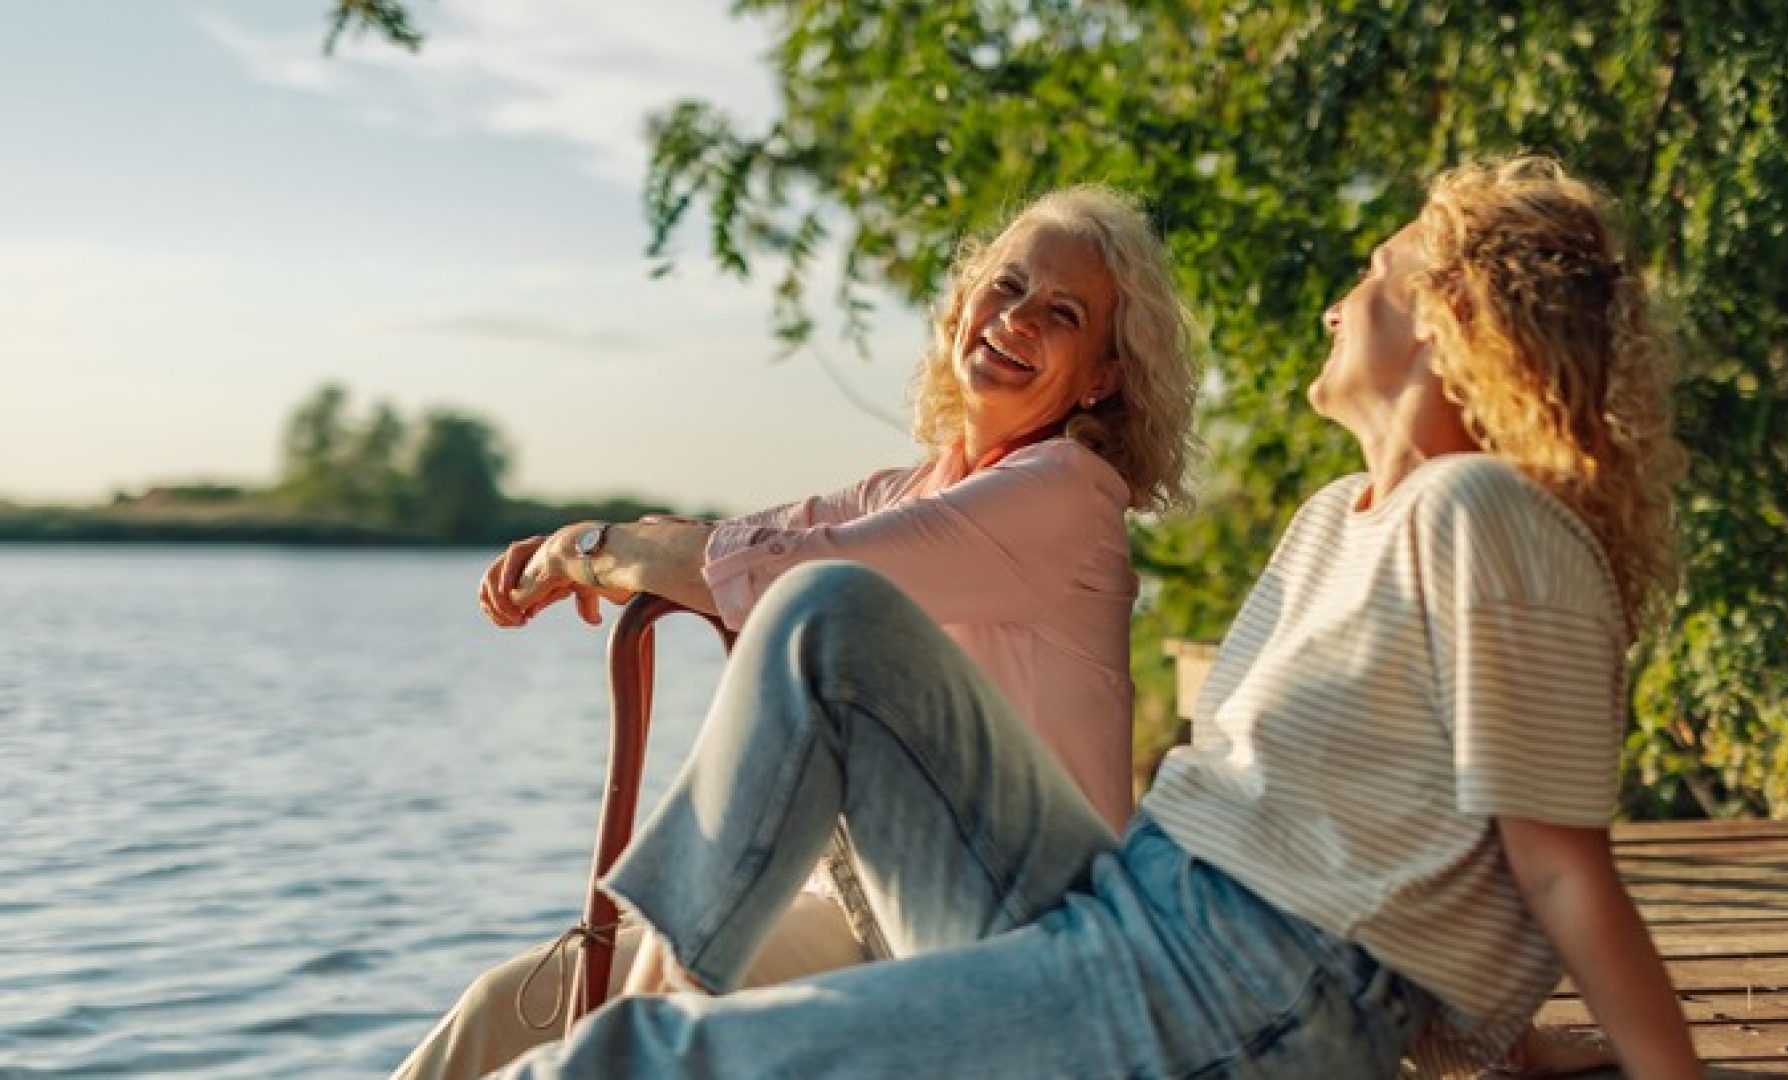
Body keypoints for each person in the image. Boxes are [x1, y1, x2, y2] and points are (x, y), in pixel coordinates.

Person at [489, 154, 1701, 1079]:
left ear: (1450, 332)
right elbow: (1405, 850)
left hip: (1227, 986)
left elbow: (1554, 871)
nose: (1337, 307)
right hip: (1141, 920)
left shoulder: (1484, 512)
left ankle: (644, 1024)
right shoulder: (1339, 517)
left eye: (1370, 280)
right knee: (826, 616)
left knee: (649, 1066)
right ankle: (657, 985)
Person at [390, 186, 1199, 1080]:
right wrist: (585, 545)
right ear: (965, 300)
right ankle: (653, 1007)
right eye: (1006, 287)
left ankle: (660, 1011)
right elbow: (730, 543)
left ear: (1101, 375)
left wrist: (591, 552)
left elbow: (792, 576)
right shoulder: (909, 492)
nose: (1015, 320)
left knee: (640, 1028)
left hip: (1011, 938)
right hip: (866, 915)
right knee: (509, 1008)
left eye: (1062, 313)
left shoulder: (1065, 495)